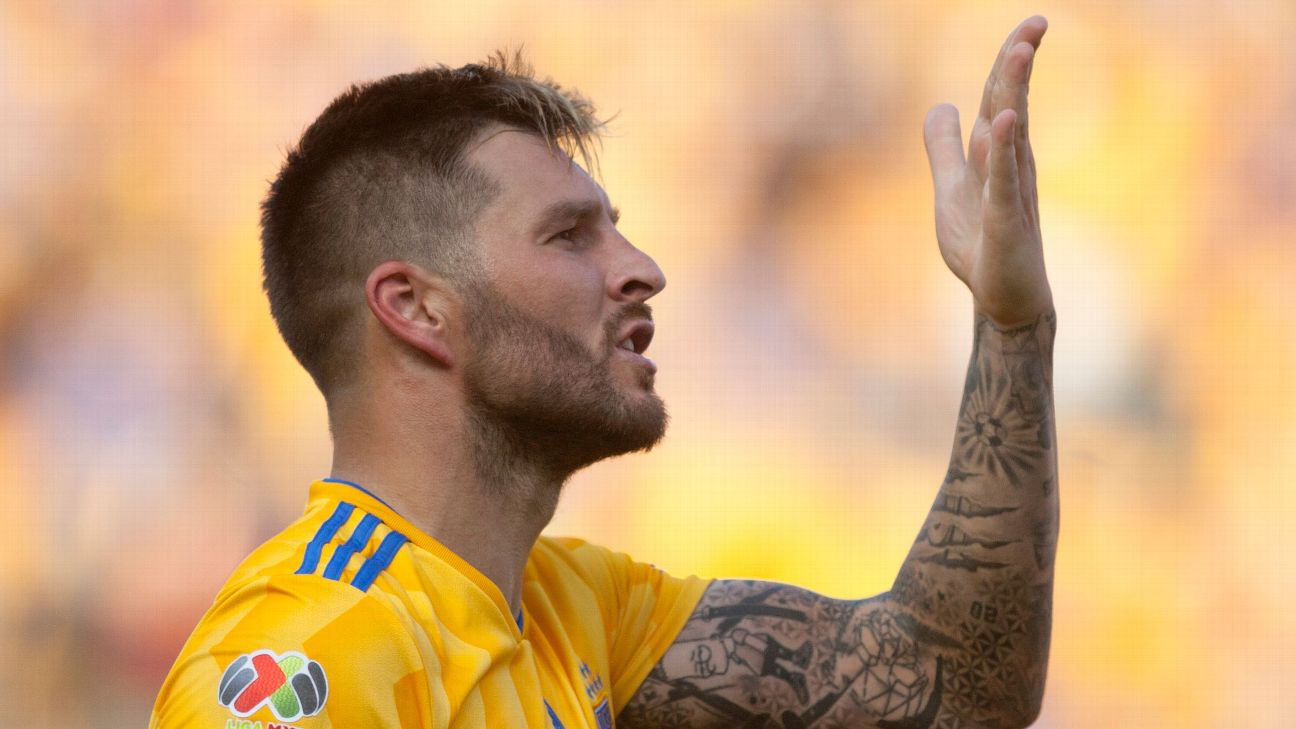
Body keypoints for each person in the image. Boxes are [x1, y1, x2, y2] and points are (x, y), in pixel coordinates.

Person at [151, 15, 1057, 729]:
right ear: (416, 307)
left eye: (614, 227)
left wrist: (1012, 325)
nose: (642, 267)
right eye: (568, 235)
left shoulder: (575, 608)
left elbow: (948, 677)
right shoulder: (306, 657)